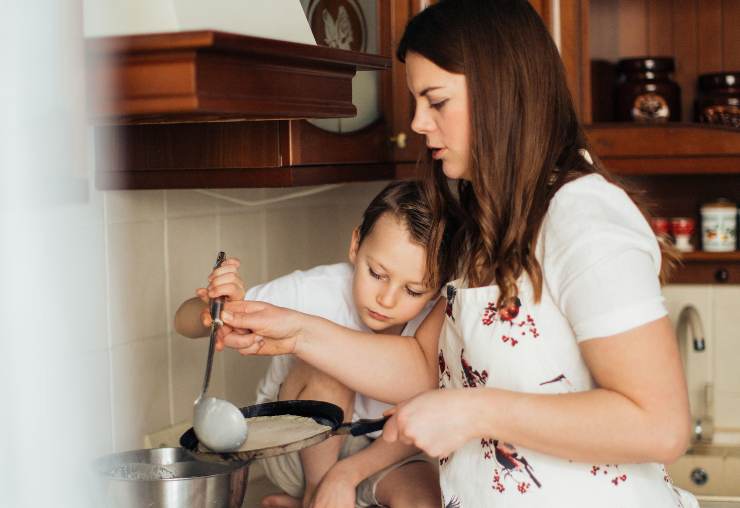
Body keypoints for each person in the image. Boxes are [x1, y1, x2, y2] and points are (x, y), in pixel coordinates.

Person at [213, 1, 700, 507]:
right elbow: (424, 362)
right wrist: (294, 329)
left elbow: (658, 424)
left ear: (501, 94)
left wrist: (471, 411)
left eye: (436, 101)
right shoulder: (484, 221)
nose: (420, 123)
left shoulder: (583, 216)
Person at [175, 180, 457, 508]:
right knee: (329, 369)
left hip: (383, 454)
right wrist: (215, 308)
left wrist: (347, 475)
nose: (387, 298)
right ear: (355, 245)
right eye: (377, 273)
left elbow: (426, 417)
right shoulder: (315, 290)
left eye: (413, 291)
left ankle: (318, 498)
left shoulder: (435, 323)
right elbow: (183, 321)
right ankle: (314, 495)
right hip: (295, 450)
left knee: (425, 500)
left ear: (437, 290)